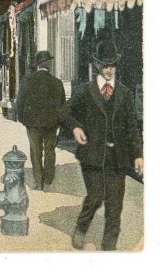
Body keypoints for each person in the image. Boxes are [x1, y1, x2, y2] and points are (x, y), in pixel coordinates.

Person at [61, 39, 143, 251]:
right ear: (98, 65)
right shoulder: (85, 91)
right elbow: (64, 112)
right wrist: (76, 128)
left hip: (118, 158)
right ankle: (81, 227)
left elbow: (132, 127)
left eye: (112, 65)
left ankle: (109, 249)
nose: (109, 70)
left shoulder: (124, 93)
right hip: (92, 155)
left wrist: (138, 155)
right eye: (105, 66)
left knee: (115, 207)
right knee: (96, 196)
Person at [15, 50, 66, 191]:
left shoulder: (27, 80)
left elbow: (20, 102)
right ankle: (49, 179)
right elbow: (63, 105)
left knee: (35, 152)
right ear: (48, 64)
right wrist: (60, 122)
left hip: (33, 124)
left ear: (37, 65)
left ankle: (38, 181)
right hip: (52, 123)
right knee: (50, 150)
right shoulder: (57, 83)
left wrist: (22, 119)